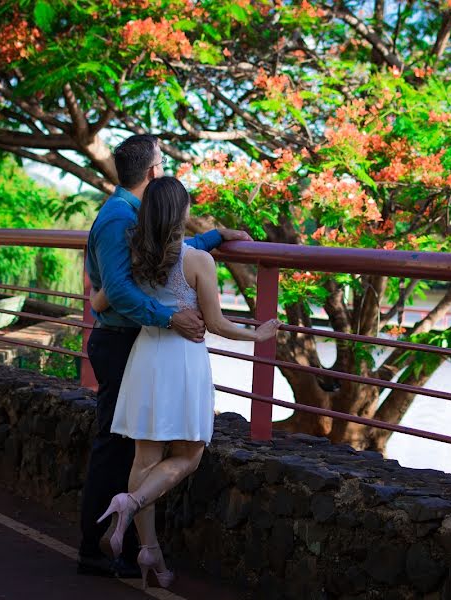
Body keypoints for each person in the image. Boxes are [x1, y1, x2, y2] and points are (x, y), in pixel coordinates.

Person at [91, 176, 281, 590]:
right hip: (181, 361)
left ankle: (150, 555)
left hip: (145, 357)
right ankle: (131, 502)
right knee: (190, 454)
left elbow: (99, 300)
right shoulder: (198, 261)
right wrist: (257, 335)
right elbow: (214, 323)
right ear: (181, 214)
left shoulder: (132, 255)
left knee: (144, 458)